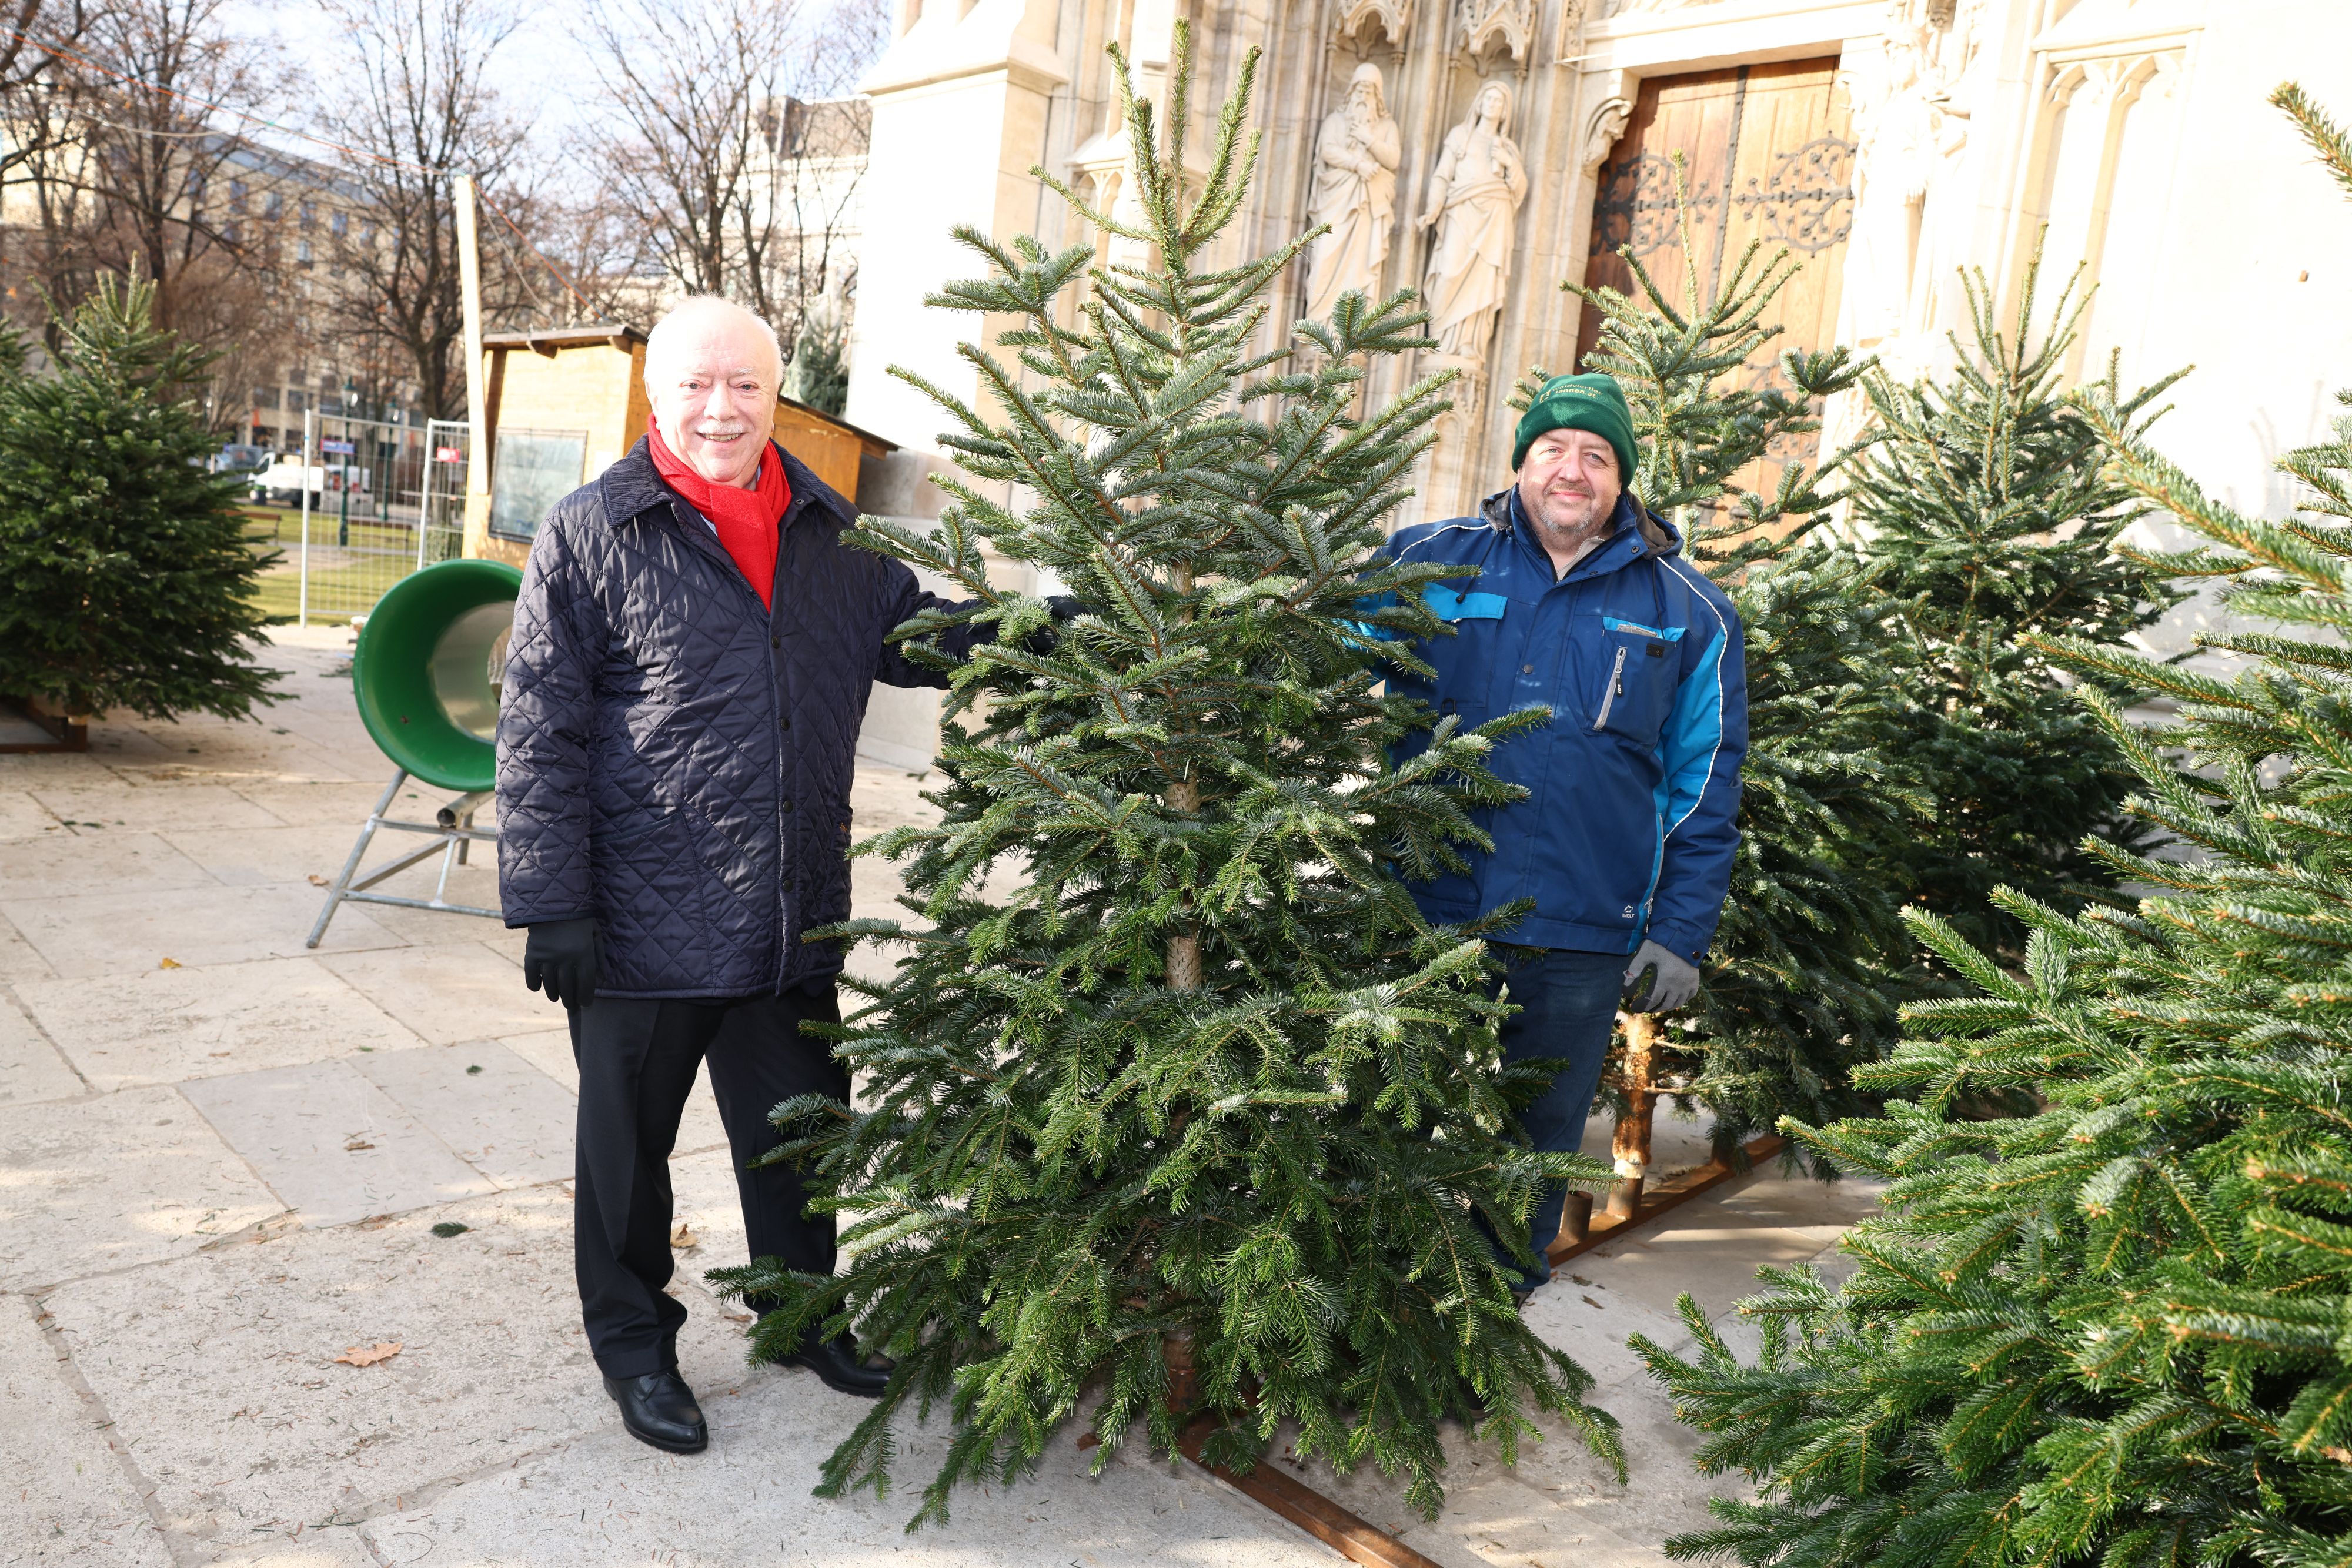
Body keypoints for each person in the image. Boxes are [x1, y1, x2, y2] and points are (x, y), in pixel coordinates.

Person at [495, 296, 988, 1455]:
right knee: (626, 1160)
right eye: (696, 386)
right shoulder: (592, 531)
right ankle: (635, 1348)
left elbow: (915, 639)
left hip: (786, 908)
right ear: (658, 394)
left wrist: (1049, 634)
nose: (720, 408)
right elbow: (537, 729)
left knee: (800, 1132)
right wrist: (550, 899)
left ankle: (803, 1312)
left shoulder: (830, 534)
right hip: (638, 922)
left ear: (777, 398)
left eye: (746, 387)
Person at [1374, 373, 1747, 1293]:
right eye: (1553, 450)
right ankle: (1363, 1313)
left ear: (1622, 481)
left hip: (1580, 930)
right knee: (1379, 1117)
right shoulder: (1429, 558)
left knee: (1532, 1149)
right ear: (1521, 463)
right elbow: (1282, 635)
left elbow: (1705, 783)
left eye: (1597, 456)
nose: (1572, 471)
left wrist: (1679, 932)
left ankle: (1490, 1324)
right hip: (1424, 903)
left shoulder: (1689, 614)